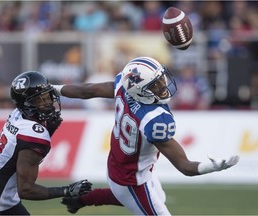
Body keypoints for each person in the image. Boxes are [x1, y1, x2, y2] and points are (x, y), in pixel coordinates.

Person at [53, 56, 239, 215]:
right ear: (140, 90)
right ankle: (82, 200)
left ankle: (81, 199)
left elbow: (87, 91)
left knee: (156, 197)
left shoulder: (125, 87)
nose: (163, 85)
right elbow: (185, 166)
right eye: (155, 84)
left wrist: (53, 89)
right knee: (140, 200)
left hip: (120, 165)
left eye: (161, 79)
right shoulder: (154, 119)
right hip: (133, 179)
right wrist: (211, 167)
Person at [0, 71, 92, 215]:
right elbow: (26, 189)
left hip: (5, 201)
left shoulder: (18, 114)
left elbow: (21, 146)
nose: (48, 103)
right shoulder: (33, 134)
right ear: (26, 104)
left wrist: (48, 129)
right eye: (40, 100)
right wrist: (66, 190)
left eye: (47, 97)